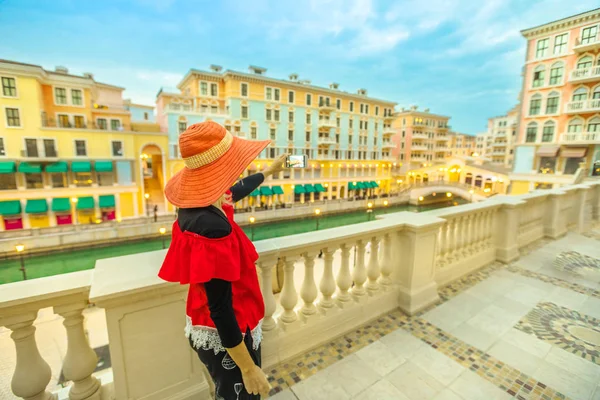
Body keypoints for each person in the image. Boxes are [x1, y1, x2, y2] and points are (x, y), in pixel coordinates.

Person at [158, 121, 286, 400]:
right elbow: (221, 309)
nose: (238, 169)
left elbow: (237, 191)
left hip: (202, 323)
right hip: (229, 337)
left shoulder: (196, 207)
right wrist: (249, 368)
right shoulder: (213, 228)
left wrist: (270, 170)